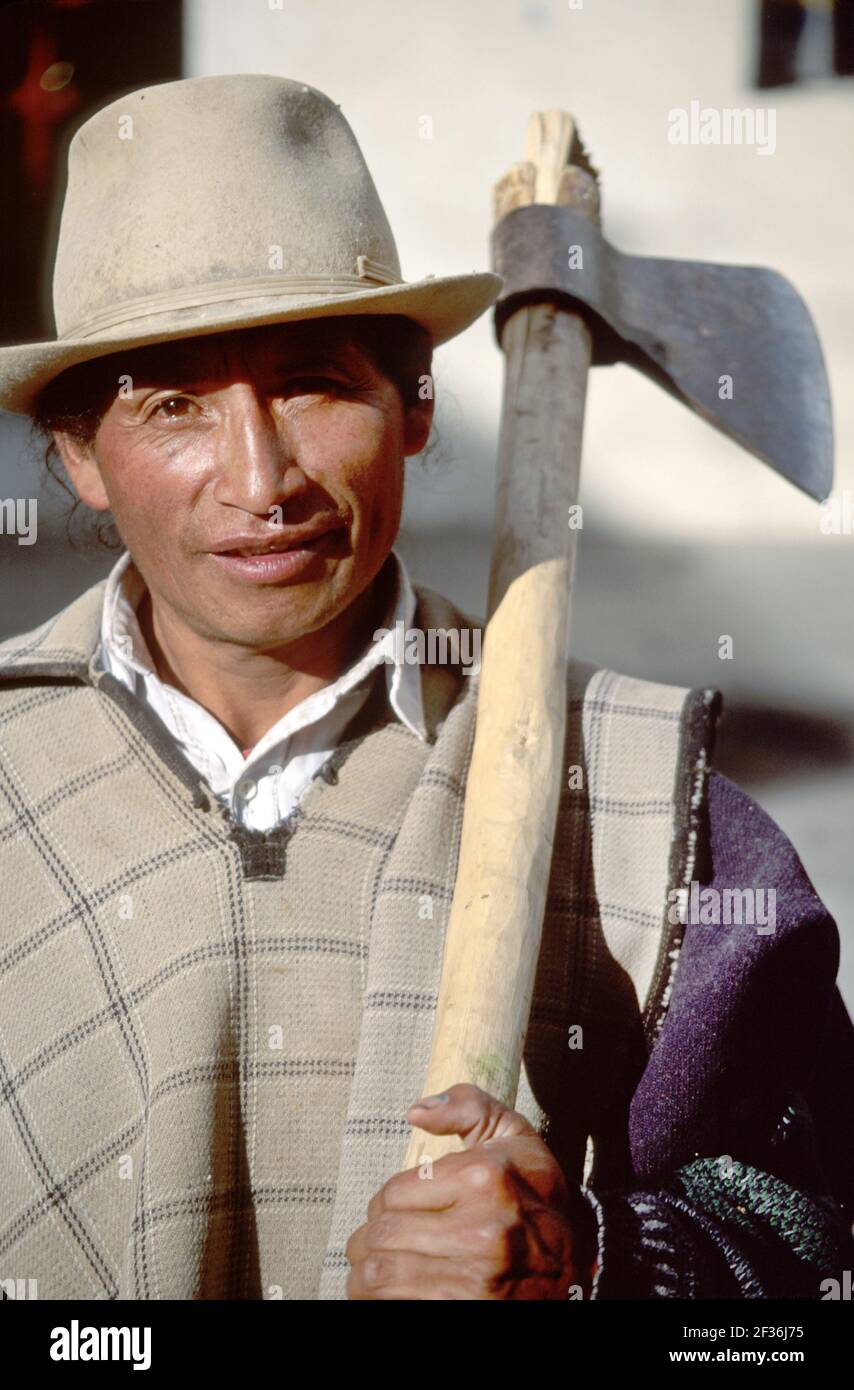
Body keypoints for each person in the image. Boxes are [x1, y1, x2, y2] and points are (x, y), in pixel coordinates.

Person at [0, 73, 851, 1302]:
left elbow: (814, 1264)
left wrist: (596, 1260)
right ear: (80, 454)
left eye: (311, 382)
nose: (262, 479)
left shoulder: (651, 808)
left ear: (413, 405)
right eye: (174, 403)